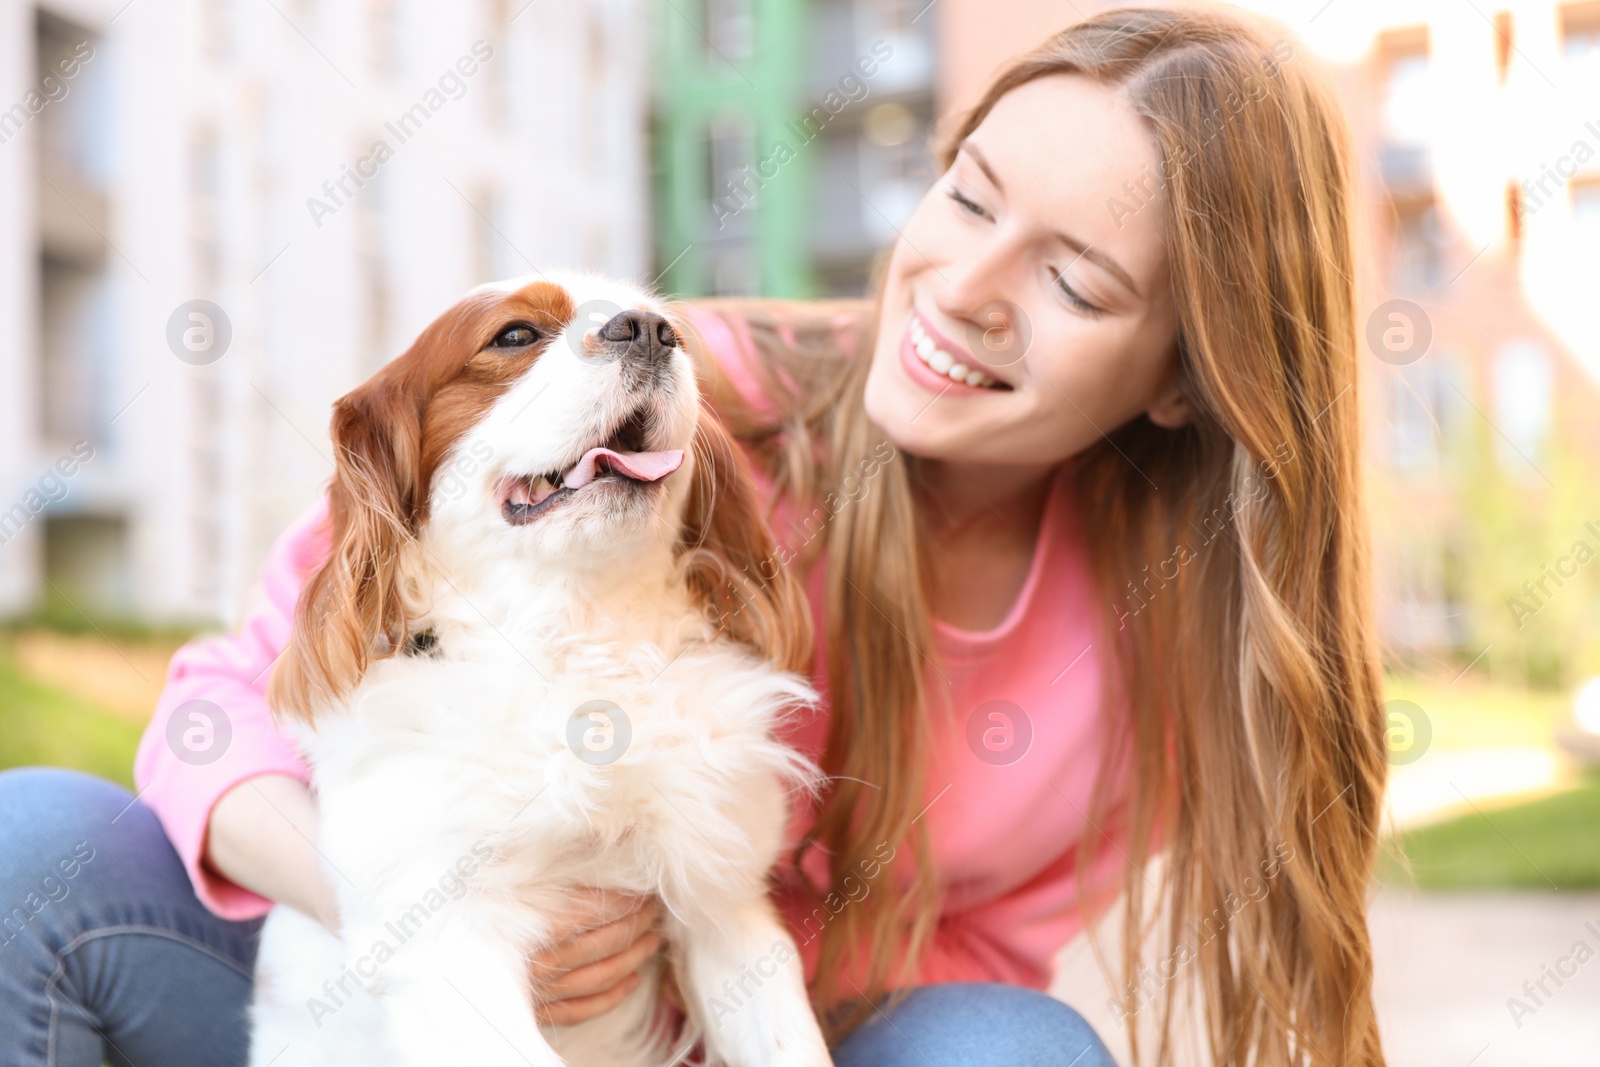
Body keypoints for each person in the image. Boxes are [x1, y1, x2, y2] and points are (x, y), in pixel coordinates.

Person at [0, 7, 1389, 1065]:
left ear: (1183, 378)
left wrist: (683, 948)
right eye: (965, 196)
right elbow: (214, 708)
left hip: (728, 1022)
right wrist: (429, 912)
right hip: (377, 981)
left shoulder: (1165, 650)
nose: (965, 288)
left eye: (1074, 280)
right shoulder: (658, 386)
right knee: (32, 843)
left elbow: (964, 964)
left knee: (1009, 1050)